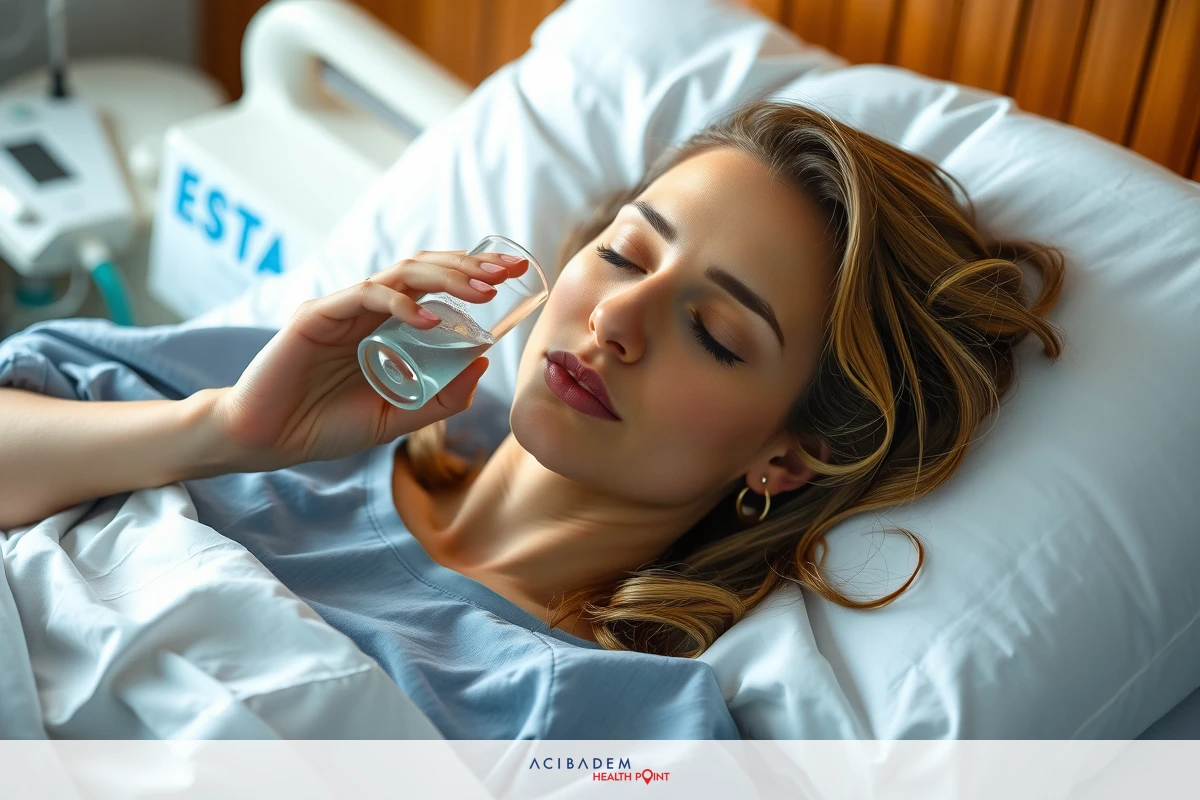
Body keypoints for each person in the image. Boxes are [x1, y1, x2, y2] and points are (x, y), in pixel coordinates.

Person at [0, 99, 1067, 739]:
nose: (615, 320)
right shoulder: (287, 395)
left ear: (786, 454)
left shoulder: (618, 721)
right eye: (626, 252)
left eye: (716, 333)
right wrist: (221, 431)